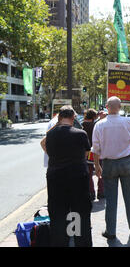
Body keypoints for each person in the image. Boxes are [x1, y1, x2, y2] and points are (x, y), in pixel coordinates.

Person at [91, 97, 130, 240]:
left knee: (111, 200)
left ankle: (111, 231)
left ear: (107, 107)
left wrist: (97, 165)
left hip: (108, 163)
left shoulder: (100, 125)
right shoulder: (127, 122)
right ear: (120, 107)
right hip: (126, 162)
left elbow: (95, 148)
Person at [44, 106, 92, 247]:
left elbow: (48, 150)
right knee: (78, 212)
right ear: (73, 118)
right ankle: (80, 242)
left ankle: (60, 243)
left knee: (58, 214)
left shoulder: (50, 134)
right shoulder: (80, 134)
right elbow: (85, 154)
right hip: (77, 177)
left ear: (59, 118)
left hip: (55, 177)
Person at [82, 109, 104, 201]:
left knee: (89, 174)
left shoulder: (80, 125)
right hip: (97, 151)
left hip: (85, 153)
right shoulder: (97, 125)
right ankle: (101, 192)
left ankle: (91, 193)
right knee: (100, 172)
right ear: (94, 117)